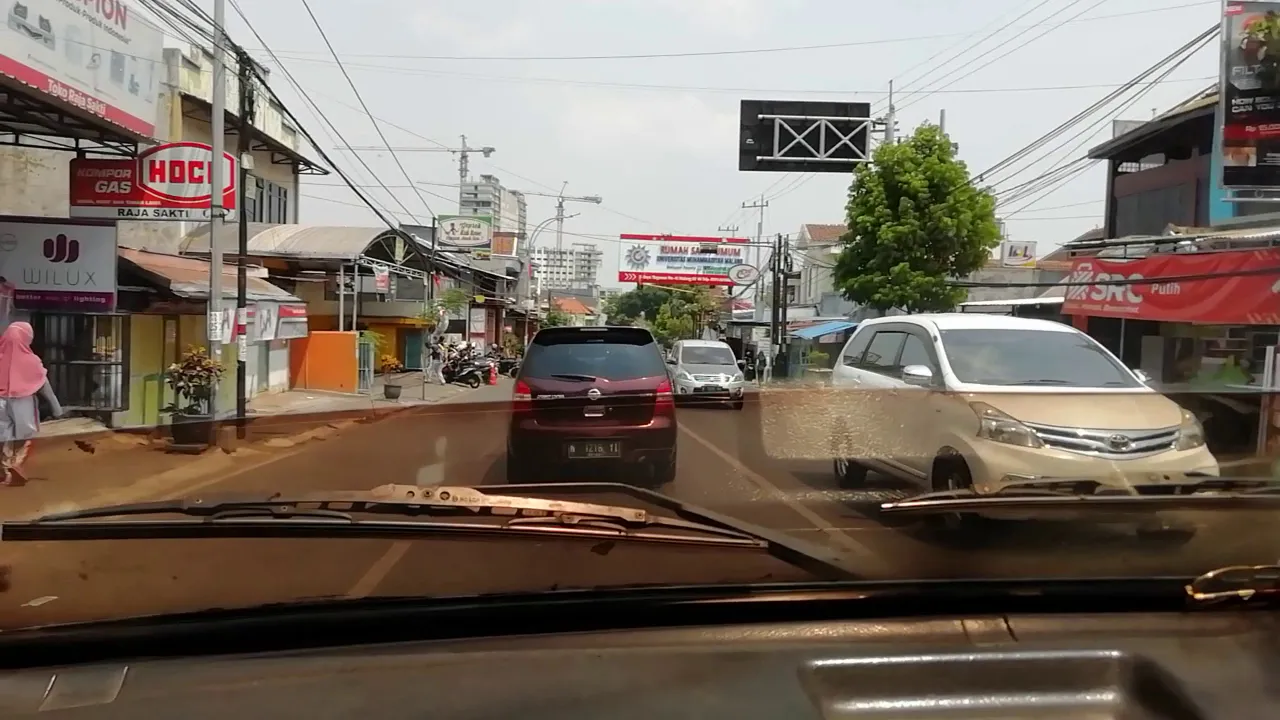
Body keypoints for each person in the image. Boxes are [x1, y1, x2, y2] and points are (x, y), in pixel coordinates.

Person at [0, 322, 61, 486]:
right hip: (23, 400)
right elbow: (44, 387)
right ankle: (16, 463)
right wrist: (57, 409)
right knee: (26, 434)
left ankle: (4, 469)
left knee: (3, 435)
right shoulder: (31, 360)